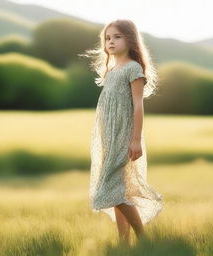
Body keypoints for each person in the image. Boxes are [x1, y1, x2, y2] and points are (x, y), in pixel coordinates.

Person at [80, 19, 164, 246]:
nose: (111, 41)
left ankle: (143, 238)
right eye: (108, 38)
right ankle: (123, 241)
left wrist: (135, 139)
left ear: (131, 40)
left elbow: (138, 105)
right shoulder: (111, 70)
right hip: (109, 136)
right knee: (118, 189)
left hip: (124, 136)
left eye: (117, 37)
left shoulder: (133, 69)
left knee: (112, 188)